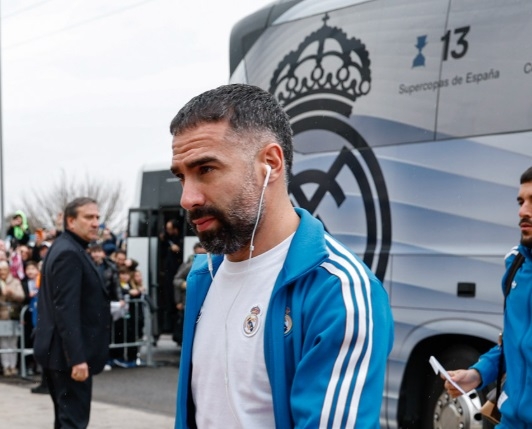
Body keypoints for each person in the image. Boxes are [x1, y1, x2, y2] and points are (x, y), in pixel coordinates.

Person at [170, 84, 394, 428]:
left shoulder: (337, 291)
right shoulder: (204, 277)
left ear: (270, 163)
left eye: (206, 170)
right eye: (181, 177)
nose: (188, 199)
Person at [444, 166, 532, 428]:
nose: (523, 211)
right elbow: (513, 345)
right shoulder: (516, 265)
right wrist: (477, 374)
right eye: (521, 201)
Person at [33, 197, 110, 429]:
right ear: (71, 221)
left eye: (97, 217)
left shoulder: (66, 247)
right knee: (73, 423)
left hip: (60, 355)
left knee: (66, 421)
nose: (95, 222)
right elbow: (66, 310)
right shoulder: (69, 253)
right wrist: (77, 359)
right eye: (89, 217)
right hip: (68, 358)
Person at [172, 242, 205, 346]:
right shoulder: (190, 264)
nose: (201, 255)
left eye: (203, 253)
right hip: (189, 300)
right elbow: (177, 280)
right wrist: (184, 285)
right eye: (199, 253)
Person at [0, 260, 25, 376]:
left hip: (13, 315)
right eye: (0, 270)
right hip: (1, 316)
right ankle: (6, 366)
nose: (2, 272)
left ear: (8, 270)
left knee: (13, 342)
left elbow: (21, 296)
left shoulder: (15, 282)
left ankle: (13, 366)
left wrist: (11, 293)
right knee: (3, 342)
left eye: (4, 269)